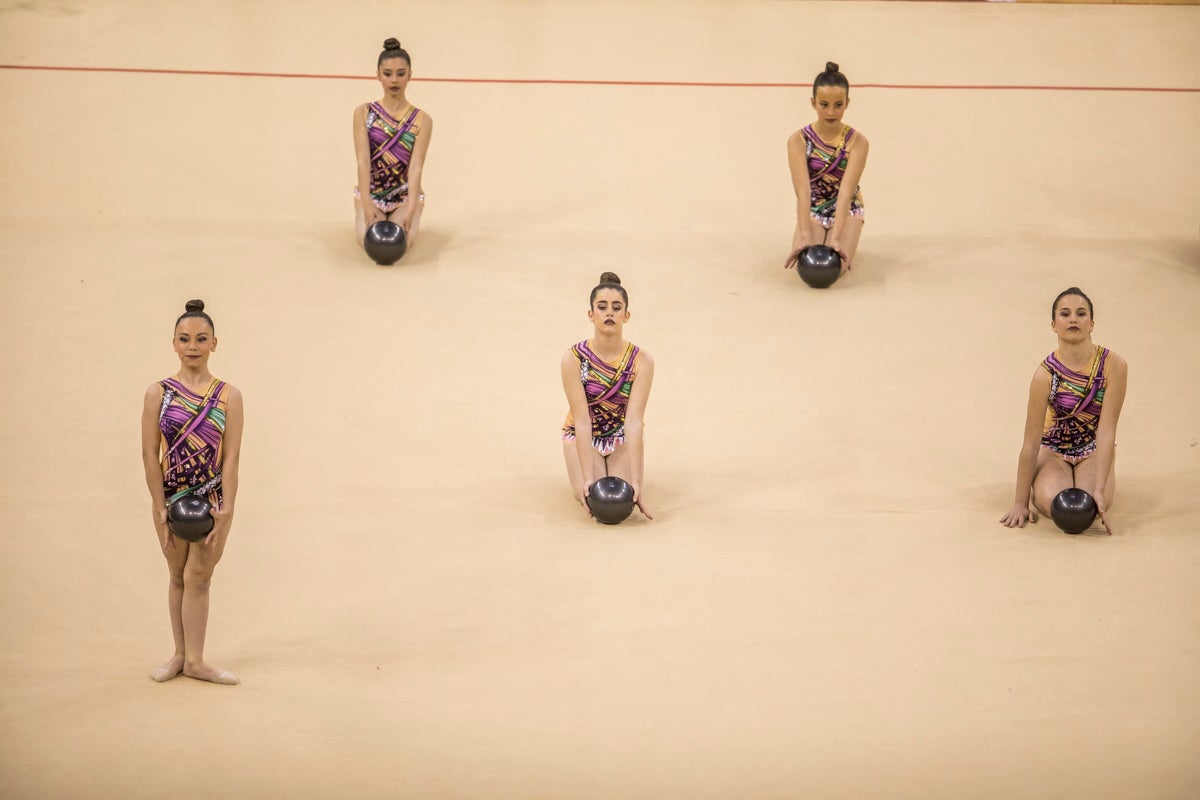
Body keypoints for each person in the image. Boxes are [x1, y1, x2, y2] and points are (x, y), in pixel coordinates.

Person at [140, 300, 244, 684]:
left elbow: (231, 456)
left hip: (211, 499)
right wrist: (158, 503)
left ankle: (197, 661)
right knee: (177, 574)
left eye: (201, 339)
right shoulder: (158, 393)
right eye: (185, 339)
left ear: (214, 343)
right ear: (174, 344)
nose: (193, 346)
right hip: (171, 497)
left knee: (200, 574)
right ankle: (179, 655)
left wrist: (227, 507)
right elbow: (151, 452)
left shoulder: (228, 395)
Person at [1001, 288, 1128, 535]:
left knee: (1086, 508)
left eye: (1081, 314)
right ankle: (1048, 479)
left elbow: (1107, 429)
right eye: (1065, 314)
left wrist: (1100, 489)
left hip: (1092, 448)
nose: (1073, 319)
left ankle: (1102, 473)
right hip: (1054, 451)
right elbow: (1031, 442)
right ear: (1053, 324)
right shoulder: (1044, 375)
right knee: (1062, 507)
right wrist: (1019, 502)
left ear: (1091, 324)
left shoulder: (1114, 365)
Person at [561, 273, 655, 519]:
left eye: (617, 308)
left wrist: (637, 480)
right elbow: (582, 419)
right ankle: (590, 473)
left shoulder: (641, 361)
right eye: (602, 307)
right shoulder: (573, 359)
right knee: (595, 496)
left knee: (621, 501)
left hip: (620, 436)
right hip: (583, 434)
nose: (609, 313)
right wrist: (589, 477)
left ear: (627, 315)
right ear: (591, 314)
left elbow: (634, 421)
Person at [785, 62, 869, 275]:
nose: (831, 112)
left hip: (847, 209)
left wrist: (837, 237)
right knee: (809, 266)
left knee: (833, 268)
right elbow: (803, 192)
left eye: (838, 105)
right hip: (814, 208)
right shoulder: (798, 141)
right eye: (824, 104)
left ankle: (842, 233)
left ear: (847, 103)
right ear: (813, 103)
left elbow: (845, 193)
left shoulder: (858, 142)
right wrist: (804, 233)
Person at [353, 37, 433, 251]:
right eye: (387, 74)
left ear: (410, 76)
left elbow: (416, 166)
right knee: (368, 241)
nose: (394, 80)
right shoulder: (364, 113)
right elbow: (362, 161)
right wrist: (367, 205)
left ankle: (405, 213)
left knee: (399, 245)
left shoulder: (422, 120)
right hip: (372, 192)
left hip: (405, 195)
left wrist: (411, 209)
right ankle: (366, 210)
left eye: (401, 73)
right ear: (378, 75)